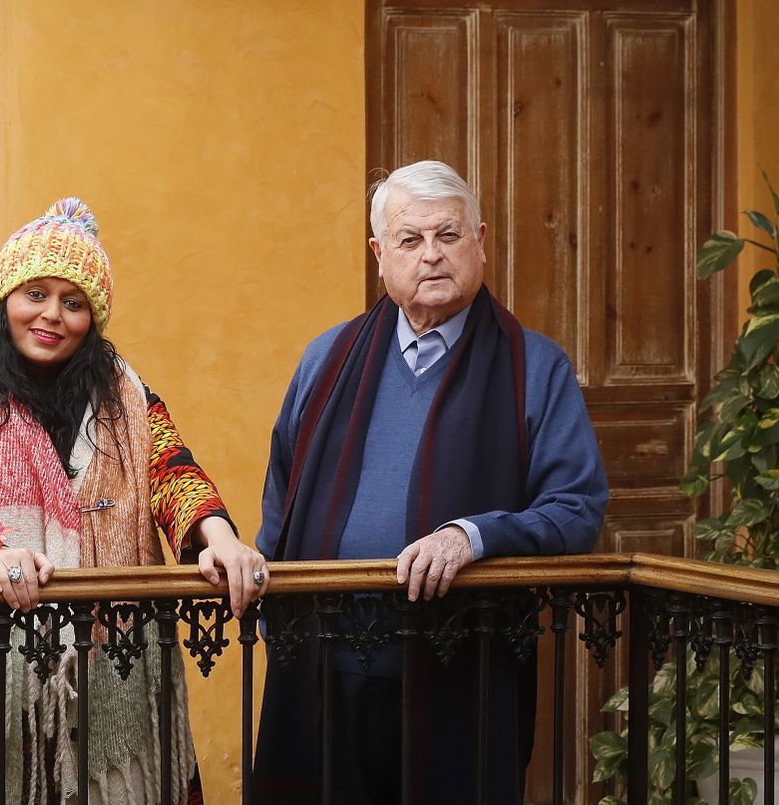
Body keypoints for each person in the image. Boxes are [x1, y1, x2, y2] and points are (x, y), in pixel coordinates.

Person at [0, 197, 267, 805]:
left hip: (111, 664)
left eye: (73, 302)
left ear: (92, 317)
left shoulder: (124, 391)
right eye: (36, 294)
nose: (52, 315)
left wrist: (220, 538)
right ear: (5, 297)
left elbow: (171, 471)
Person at [252, 160, 609, 804]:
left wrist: (473, 536)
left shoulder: (535, 367)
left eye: (448, 235)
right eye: (410, 241)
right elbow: (283, 491)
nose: (432, 257)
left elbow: (577, 509)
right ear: (379, 256)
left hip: (460, 671)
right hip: (322, 668)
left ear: (481, 240)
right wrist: (272, 596)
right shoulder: (325, 358)